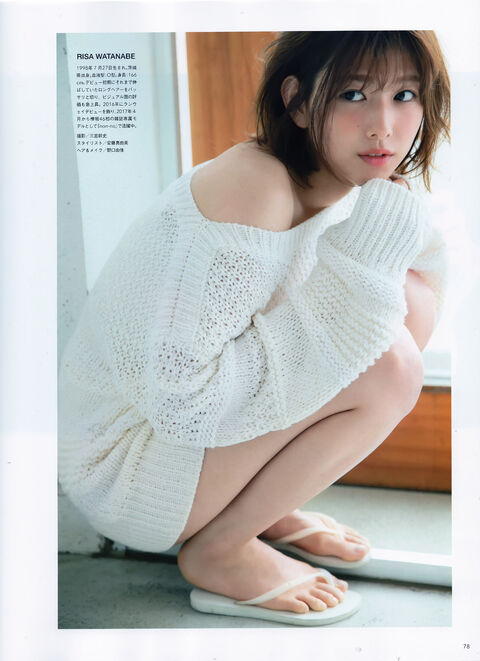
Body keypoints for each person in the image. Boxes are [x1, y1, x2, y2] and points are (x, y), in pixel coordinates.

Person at [58, 31, 450, 625]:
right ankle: (221, 549)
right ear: (297, 102)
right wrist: (364, 266)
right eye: (353, 95)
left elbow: (425, 280)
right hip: (126, 467)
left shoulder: (342, 181)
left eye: (404, 95)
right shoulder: (256, 186)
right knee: (391, 363)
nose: (383, 127)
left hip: (185, 448)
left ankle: (262, 511)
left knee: (407, 301)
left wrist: (383, 227)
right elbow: (182, 402)